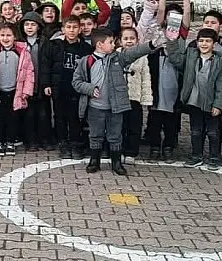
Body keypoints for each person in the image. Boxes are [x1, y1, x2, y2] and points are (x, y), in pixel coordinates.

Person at [72, 27, 159, 175]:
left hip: (116, 107)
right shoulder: (86, 61)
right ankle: (94, 161)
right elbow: (76, 81)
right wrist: (89, 88)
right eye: (111, 42)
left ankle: (116, 163)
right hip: (95, 107)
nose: (114, 45)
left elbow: (134, 52)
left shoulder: (118, 58)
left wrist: (151, 45)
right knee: (95, 134)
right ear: (100, 45)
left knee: (115, 135)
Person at [167, 28, 222, 170]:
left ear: (214, 44)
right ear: (196, 43)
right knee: (196, 130)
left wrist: (218, 105)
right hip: (193, 101)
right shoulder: (191, 57)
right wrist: (171, 41)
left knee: (213, 132)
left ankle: (214, 157)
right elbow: (175, 59)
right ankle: (196, 155)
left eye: (208, 41)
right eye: (201, 40)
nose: (204, 44)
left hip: (211, 103)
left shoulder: (220, 62)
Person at [0, 23, 35, 156]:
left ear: (14, 36)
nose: (5, 38)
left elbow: (29, 72)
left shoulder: (22, 53)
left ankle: (10, 142)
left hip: (15, 91)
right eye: (2, 35)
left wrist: (27, 91)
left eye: (8, 35)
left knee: (12, 119)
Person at [43, 15, 93, 159]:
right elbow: (46, 66)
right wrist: (46, 84)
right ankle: (63, 144)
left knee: (76, 118)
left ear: (80, 29)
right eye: (68, 27)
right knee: (60, 117)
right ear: (63, 29)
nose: (71, 30)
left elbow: (90, 69)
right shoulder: (54, 46)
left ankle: (76, 144)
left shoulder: (86, 48)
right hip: (59, 87)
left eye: (75, 27)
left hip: (78, 89)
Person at [146, 19, 185, 162]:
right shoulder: (152, 54)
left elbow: (182, 67)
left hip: (172, 97)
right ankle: (154, 148)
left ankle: (168, 148)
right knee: (155, 124)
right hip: (156, 97)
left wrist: (172, 51)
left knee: (171, 125)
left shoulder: (179, 54)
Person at [19, 12, 51, 151]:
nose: (30, 27)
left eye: (33, 24)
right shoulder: (19, 43)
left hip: (41, 83)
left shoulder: (45, 42)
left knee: (44, 114)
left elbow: (49, 64)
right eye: (26, 24)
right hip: (26, 86)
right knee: (29, 115)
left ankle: (45, 139)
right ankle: (31, 141)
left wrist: (47, 83)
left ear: (39, 27)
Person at [119, 27, 152, 162]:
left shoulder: (143, 58)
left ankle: (131, 152)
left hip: (134, 97)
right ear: (119, 41)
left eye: (132, 38)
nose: (129, 41)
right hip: (119, 98)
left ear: (137, 40)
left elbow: (146, 78)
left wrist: (146, 98)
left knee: (134, 126)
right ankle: (118, 150)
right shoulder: (115, 55)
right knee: (119, 126)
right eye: (125, 39)